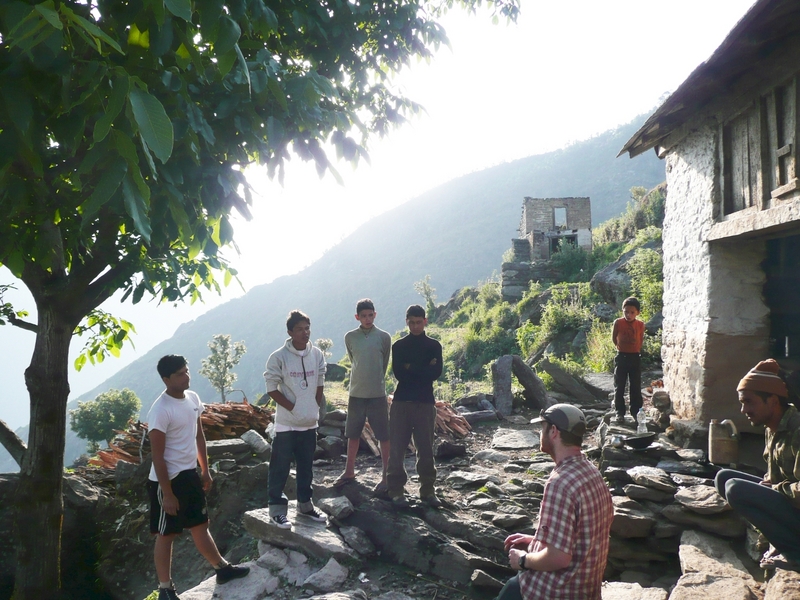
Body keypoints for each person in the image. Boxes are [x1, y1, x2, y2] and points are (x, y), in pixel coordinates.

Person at [147, 355, 249, 600]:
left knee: (200, 526)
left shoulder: (192, 399)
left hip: (189, 474)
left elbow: (199, 436)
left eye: (187, 370)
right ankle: (165, 589)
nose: (187, 376)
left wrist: (205, 469)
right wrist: (168, 493)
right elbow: (157, 456)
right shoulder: (160, 410)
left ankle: (221, 569)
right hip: (167, 481)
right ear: (166, 379)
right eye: (180, 374)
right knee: (166, 534)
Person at [497, 403, 613, 600]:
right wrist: (535, 542)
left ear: (553, 431)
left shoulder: (560, 483)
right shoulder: (591, 472)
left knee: (512, 588)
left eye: (542, 427)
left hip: (555, 591)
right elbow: (578, 536)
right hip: (585, 590)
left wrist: (523, 559)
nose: (540, 433)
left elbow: (558, 558)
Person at [714, 359, 800, 572]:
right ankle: (777, 540)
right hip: (792, 504)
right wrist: (771, 483)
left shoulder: (797, 431)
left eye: (749, 402)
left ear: (772, 400)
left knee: (735, 488)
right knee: (723, 478)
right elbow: (775, 475)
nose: (744, 410)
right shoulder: (772, 427)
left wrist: (776, 489)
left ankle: (795, 553)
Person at [264, 310, 328, 529]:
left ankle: (305, 505)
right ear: (290, 332)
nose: (304, 333)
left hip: (309, 422)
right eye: (299, 329)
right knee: (280, 466)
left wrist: (313, 406)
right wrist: (293, 407)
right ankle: (276, 511)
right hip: (286, 423)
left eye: (307, 328)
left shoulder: (317, 354)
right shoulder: (278, 356)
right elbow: (271, 388)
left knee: (306, 466)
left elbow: (320, 380)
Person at [386, 304, 443, 508]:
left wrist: (412, 367)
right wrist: (425, 367)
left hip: (425, 403)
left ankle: (428, 490)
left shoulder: (434, 345)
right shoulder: (399, 346)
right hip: (402, 403)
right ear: (407, 322)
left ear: (425, 321)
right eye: (412, 322)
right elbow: (400, 374)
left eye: (419, 322)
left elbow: (436, 373)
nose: (416, 326)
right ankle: (396, 490)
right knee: (397, 449)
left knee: (426, 449)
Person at [334, 298, 393, 492]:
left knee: (383, 435)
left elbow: (383, 363)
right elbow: (354, 361)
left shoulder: (384, 337)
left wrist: (376, 381)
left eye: (370, 315)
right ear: (357, 317)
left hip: (377, 393)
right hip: (356, 393)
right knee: (352, 434)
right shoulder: (350, 337)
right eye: (363, 316)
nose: (367, 319)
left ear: (375, 315)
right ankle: (349, 471)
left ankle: (386, 475)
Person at [612, 296, 645, 424]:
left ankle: (636, 412)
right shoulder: (618, 323)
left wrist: (634, 349)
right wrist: (621, 347)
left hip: (635, 357)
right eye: (626, 312)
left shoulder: (640, 325)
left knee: (635, 386)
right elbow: (614, 339)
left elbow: (640, 340)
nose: (629, 315)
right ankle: (619, 412)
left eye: (632, 312)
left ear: (637, 313)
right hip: (622, 356)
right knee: (619, 385)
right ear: (622, 311)